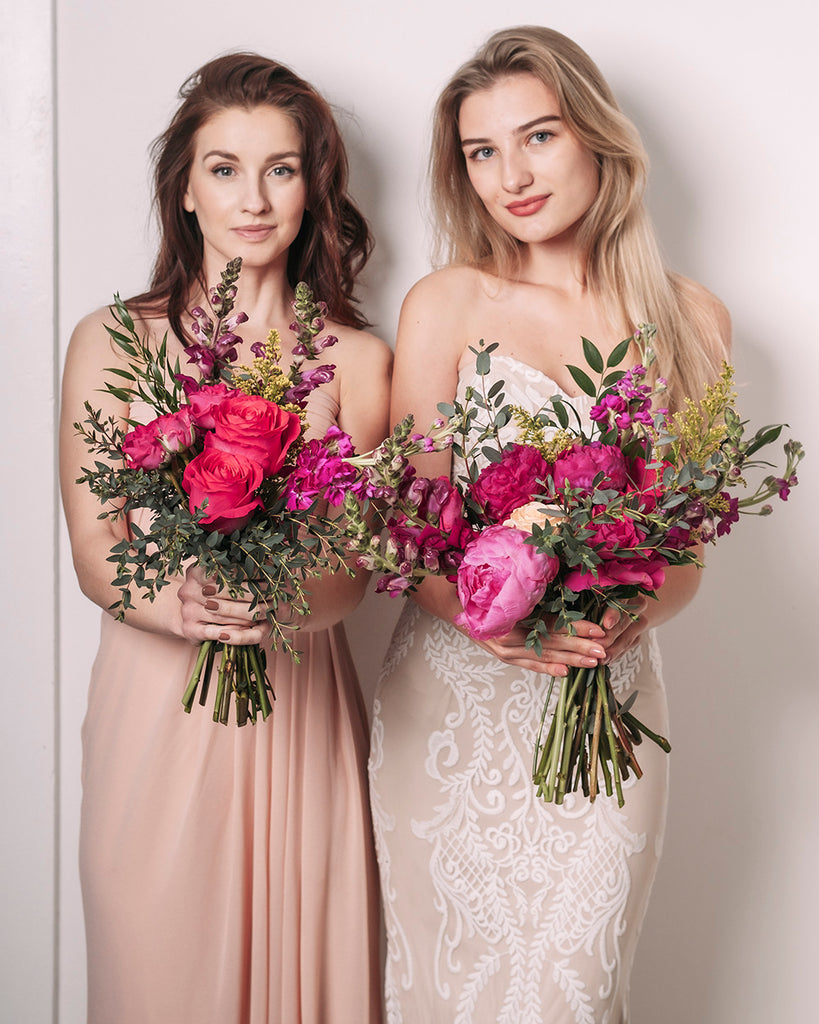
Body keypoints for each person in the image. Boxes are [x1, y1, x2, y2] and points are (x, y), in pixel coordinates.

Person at [368, 25, 730, 1023]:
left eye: (537, 137)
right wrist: (488, 620)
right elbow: (408, 525)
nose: (512, 177)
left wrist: (621, 611)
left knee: (575, 991)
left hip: (606, 707)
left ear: (596, 137)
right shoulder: (448, 302)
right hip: (450, 710)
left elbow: (686, 552)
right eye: (481, 152)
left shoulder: (693, 320)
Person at [60, 53, 390, 1024]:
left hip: (299, 713)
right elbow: (93, 546)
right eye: (224, 168)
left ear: (312, 187)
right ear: (185, 190)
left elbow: (357, 571)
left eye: (280, 169)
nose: (253, 198)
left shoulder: (359, 361)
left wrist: (275, 596)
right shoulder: (110, 341)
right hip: (152, 713)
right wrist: (181, 604)